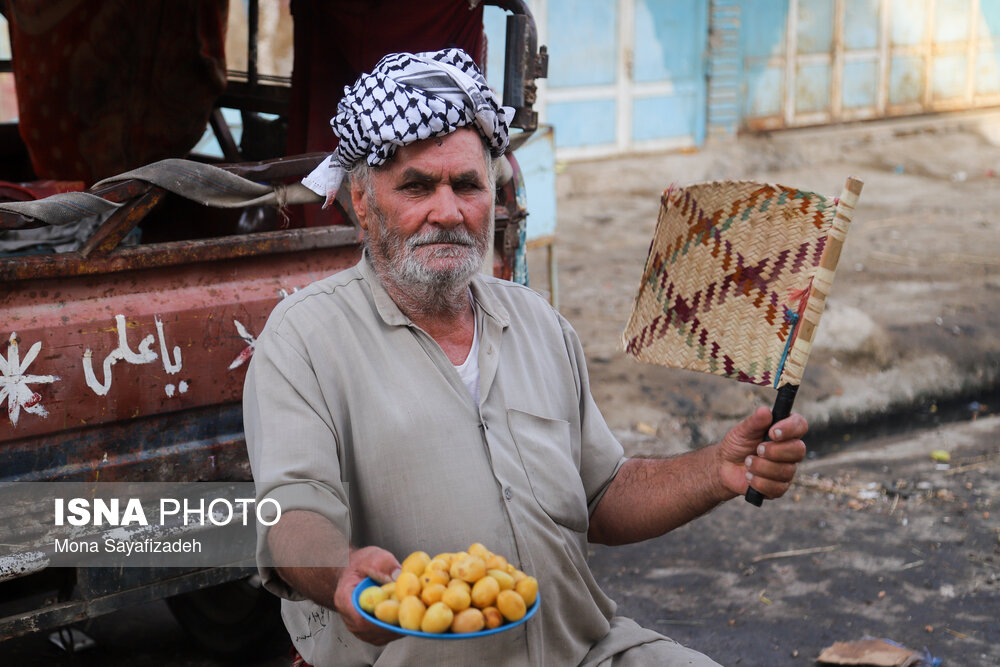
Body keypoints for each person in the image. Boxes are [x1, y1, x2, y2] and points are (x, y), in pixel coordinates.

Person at [243, 48, 808, 667]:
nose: (448, 211)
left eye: (466, 185)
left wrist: (716, 471)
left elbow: (602, 493)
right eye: (416, 186)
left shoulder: (539, 324)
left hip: (583, 650)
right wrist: (342, 576)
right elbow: (292, 513)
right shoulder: (304, 341)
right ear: (362, 200)